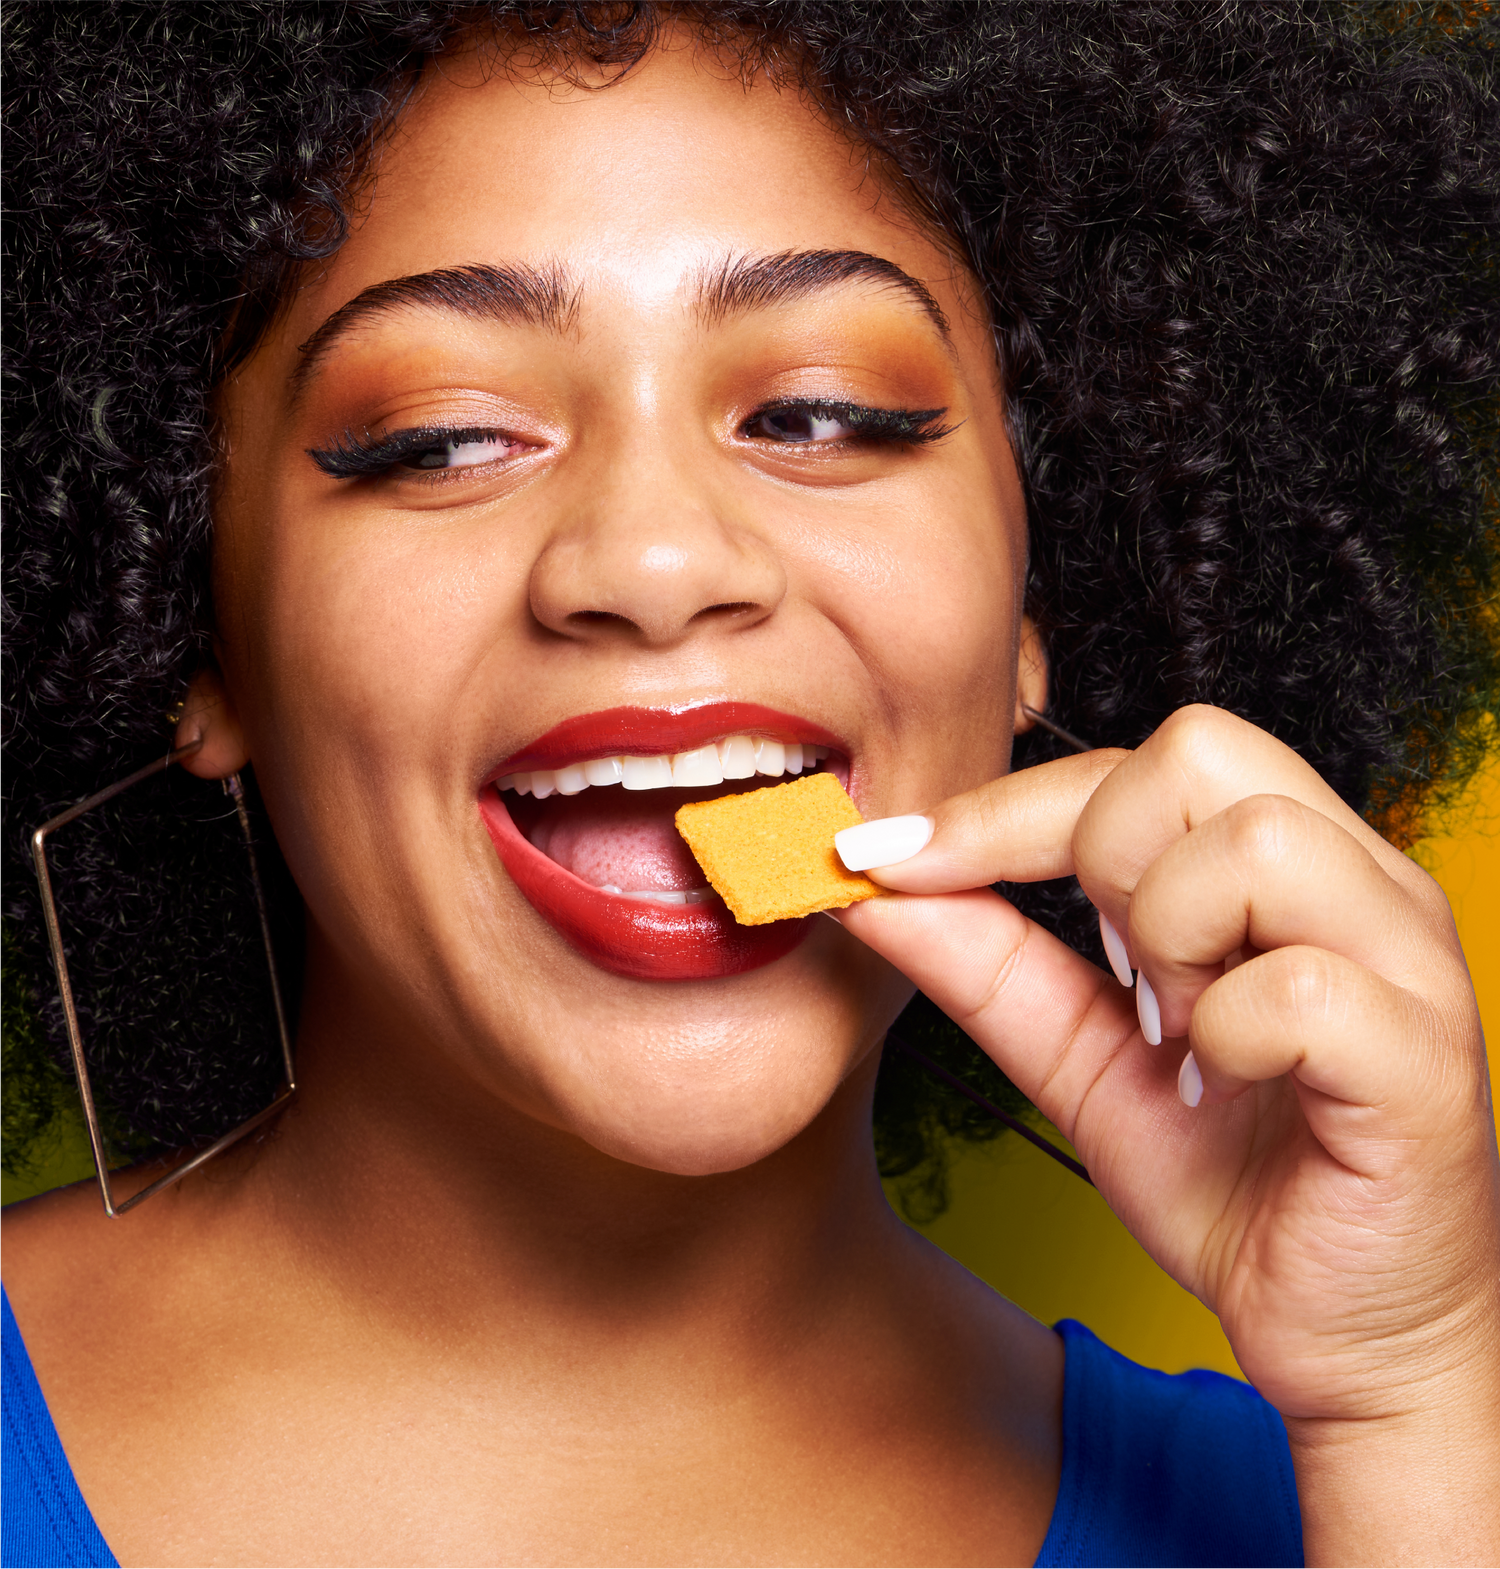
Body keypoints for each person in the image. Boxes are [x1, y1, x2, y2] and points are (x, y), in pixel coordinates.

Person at [0, 1, 1497, 1562]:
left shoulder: (1348, 1495)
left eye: (822, 414)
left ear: (1036, 604)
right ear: (197, 633)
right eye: (440, 439)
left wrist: (1409, 1409)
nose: (655, 560)